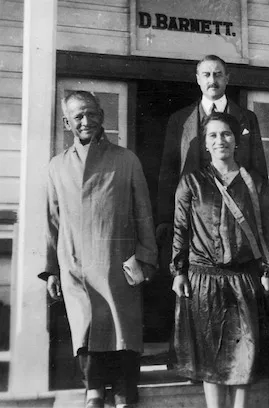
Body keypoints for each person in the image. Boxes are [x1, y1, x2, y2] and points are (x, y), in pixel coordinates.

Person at [40, 91, 158, 408]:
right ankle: (92, 389)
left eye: (92, 114)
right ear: (67, 122)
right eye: (78, 116)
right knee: (86, 328)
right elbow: (52, 222)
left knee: (122, 329)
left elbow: (143, 213)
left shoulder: (126, 159)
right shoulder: (57, 166)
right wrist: (50, 270)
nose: (86, 121)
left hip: (119, 263)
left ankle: (123, 391)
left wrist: (146, 258)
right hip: (76, 264)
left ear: (102, 116)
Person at [170, 112, 269, 408]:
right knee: (211, 356)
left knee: (244, 354)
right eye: (213, 135)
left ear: (236, 140)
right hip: (203, 279)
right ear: (205, 144)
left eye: (226, 134)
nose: (220, 140)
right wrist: (179, 271)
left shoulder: (254, 182)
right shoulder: (192, 182)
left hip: (243, 279)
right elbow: (181, 229)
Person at [157, 54, 268, 272]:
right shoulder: (179, 120)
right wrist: (164, 218)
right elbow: (168, 172)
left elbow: (258, 168)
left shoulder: (247, 117)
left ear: (227, 78)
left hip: (237, 215)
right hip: (195, 215)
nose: (212, 80)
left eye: (218, 74)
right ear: (198, 79)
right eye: (206, 75)